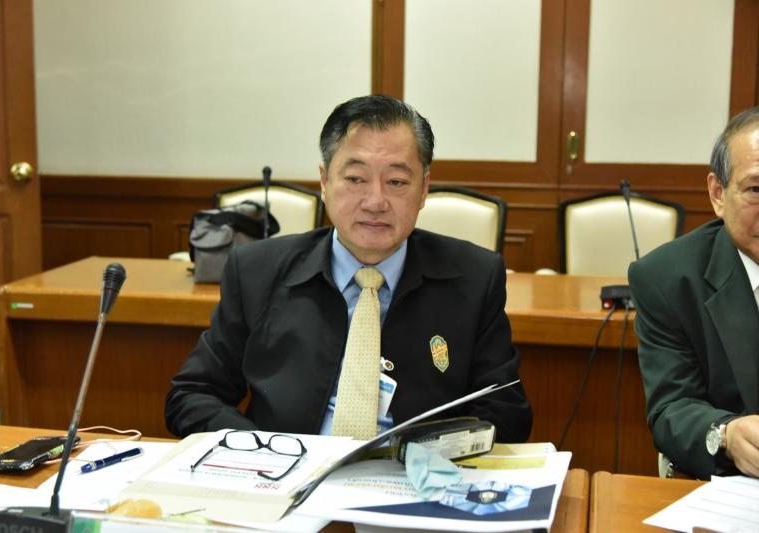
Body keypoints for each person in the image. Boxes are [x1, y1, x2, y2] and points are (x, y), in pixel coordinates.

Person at [165, 95, 532, 443]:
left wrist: (432, 453)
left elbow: (506, 412)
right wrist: (260, 449)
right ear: (325, 181)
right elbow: (192, 394)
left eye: (396, 182)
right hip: (286, 473)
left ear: (424, 189)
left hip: (415, 477)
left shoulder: (474, 278)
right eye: (355, 179)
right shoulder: (256, 272)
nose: (375, 201)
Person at [628, 106, 759, 479]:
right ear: (718, 193)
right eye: (756, 189)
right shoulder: (667, 279)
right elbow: (672, 409)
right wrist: (727, 435)